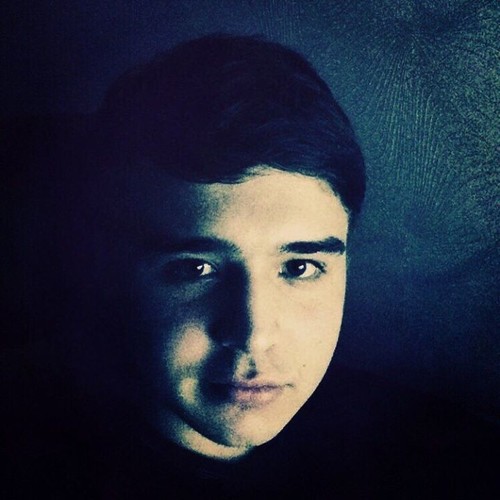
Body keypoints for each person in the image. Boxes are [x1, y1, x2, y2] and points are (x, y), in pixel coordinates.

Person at [3, 34, 498, 499]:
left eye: (299, 267)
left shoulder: (448, 458)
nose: (254, 333)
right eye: (195, 269)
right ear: (107, 270)